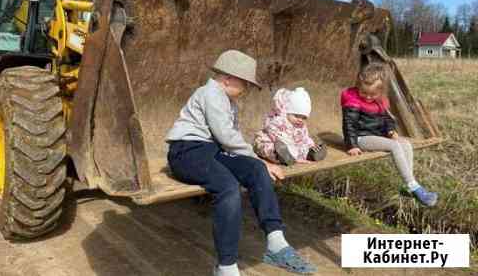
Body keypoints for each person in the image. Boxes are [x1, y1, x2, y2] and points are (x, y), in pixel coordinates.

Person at [166, 50, 317, 276]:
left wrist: (258, 162)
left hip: (212, 150)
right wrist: (260, 159)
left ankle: (276, 241)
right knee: (227, 186)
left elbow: (230, 141)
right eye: (244, 83)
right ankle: (226, 267)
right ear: (228, 78)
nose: (246, 89)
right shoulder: (210, 93)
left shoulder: (230, 103)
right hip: (187, 151)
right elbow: (227, 136)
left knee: (255, 170)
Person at [341, 62, 438, 207]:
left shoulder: (380, 101)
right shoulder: (352, 100)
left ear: (380, 91)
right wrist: (352, 145)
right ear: (358, 87)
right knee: (394, 146)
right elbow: (349, 124)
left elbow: (387, 118)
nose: (367, 97)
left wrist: (390, 130)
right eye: (364, 93)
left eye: (372, 94)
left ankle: (408, 185)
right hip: (360, 138)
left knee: (406, 144)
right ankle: (414, 186)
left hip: (376, 135)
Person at [254, 88, 325, 165]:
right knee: (264, 145)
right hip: (277, 142)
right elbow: (276, 136)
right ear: (287, 112)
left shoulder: (301, 126)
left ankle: (311, 154)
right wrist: (293, 153)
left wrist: (310, 145)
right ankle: (281, 157)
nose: (300, 120)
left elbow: (305, 138)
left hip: (294, 146)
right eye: (297, 116)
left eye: (304, 117)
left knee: (305, 146)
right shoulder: (278, 121)